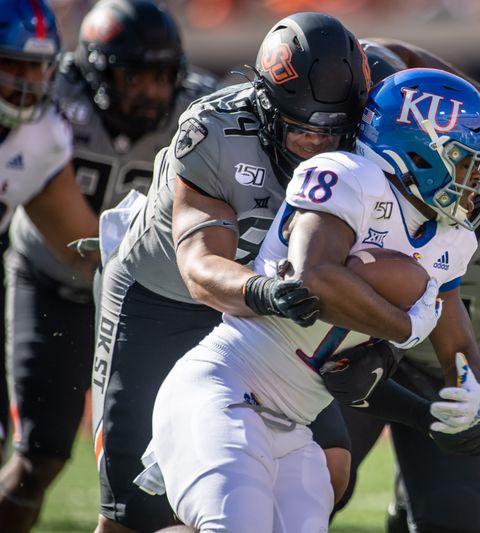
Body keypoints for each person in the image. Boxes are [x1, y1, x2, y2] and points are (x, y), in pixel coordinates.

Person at [142, 66, 480, 532]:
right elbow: (314, 276)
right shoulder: (347, 175)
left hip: (296, 425)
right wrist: (407, 326)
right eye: (463, 162)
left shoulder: (451, 239)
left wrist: (473, 397)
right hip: (225, 388)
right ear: (420, 152)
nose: (475, 180)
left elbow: (458, 346)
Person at [90, 12, 367, 533]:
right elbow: (199, 267)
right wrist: (264, 290)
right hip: (162, 298)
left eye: (333, 131)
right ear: (266, 106)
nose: (317, 145)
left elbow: (402, 58)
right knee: (130, 515)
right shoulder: (215, 129)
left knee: (329, 465)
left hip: (264, 308)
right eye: (300, 129)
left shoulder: (363, 113)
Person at [315, 45, 480, 533]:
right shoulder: (345, 190)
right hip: (347, 358)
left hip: (441, 371)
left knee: (457, 519)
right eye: (463, 169)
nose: (476, 189)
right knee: (307, 494)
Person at [0, 1, 217, 531]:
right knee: (40, 455)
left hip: (143, 296)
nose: (152, 92)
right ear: (95, 73)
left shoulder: (206, 114)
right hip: (53, 276)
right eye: (133, 76)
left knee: (159, 458)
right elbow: (71, 232)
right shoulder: (52, 109)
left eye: (161, 76)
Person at [0, 1, 101, 531]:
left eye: (38, 66)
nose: (29, 80)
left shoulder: (40, 137)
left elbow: (81, 244)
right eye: (13, 63)